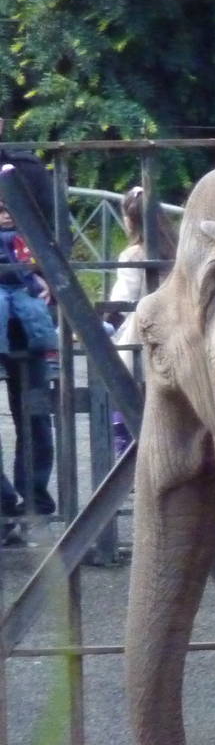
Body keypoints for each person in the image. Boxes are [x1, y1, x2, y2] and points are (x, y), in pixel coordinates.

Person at [0, 201, 58, 544]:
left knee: (35, 419)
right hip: (26, 332)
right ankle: (10, 508)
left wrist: (42, 277)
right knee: (35, 421)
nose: (6, 213)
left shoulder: (33, 228)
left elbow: (57, 263)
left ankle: (33, 506)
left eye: (9, 206)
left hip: (29, 335)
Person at [105, 186, 173, 455]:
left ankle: (130, 458)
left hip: (141, 337)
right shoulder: (178, 250)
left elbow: (123, 300)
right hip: (176, 332)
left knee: (129, 405)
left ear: (130, 220)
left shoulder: (133, 254)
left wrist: (104, 324)